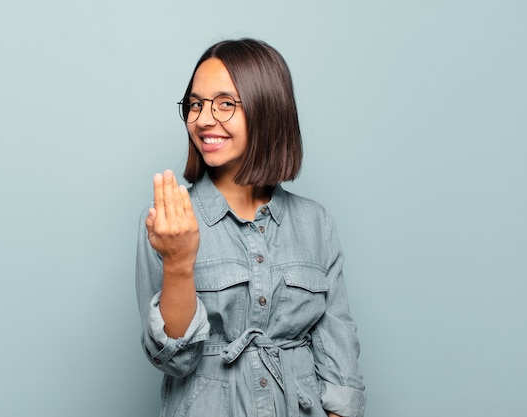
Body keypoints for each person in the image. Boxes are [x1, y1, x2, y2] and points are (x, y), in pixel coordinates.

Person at [136, 38, 365, 417]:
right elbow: (174, 360)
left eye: (225, 103)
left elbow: (341, 371)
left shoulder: (315, 222)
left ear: (267, 109)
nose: (204, 119)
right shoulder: (167, 221)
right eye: (195, 104)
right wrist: (178, 261)